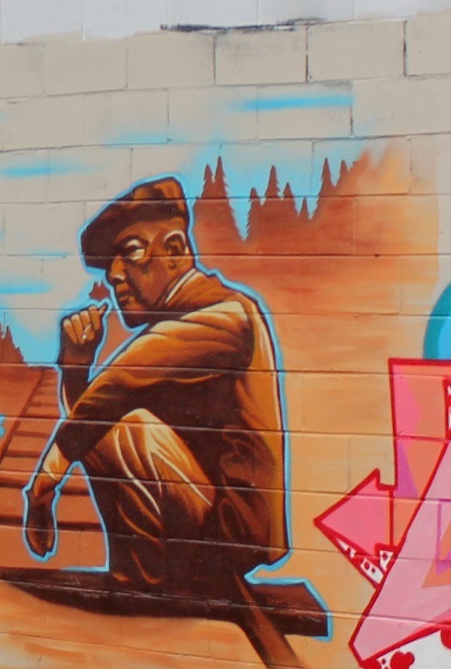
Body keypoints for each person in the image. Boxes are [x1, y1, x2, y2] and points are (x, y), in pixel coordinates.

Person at [21, 178, 290, 606]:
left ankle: (145, 580)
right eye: (110, 263)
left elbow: (119, 383)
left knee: (130, 427)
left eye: (129, 253)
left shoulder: (226, 316)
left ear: (175, 250)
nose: (114, 275)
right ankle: (140, 576)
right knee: (113, 423)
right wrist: (75, 371)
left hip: (227, 531)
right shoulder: (184, 324)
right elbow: (97, 429)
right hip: (202, 516)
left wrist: (44, 484)